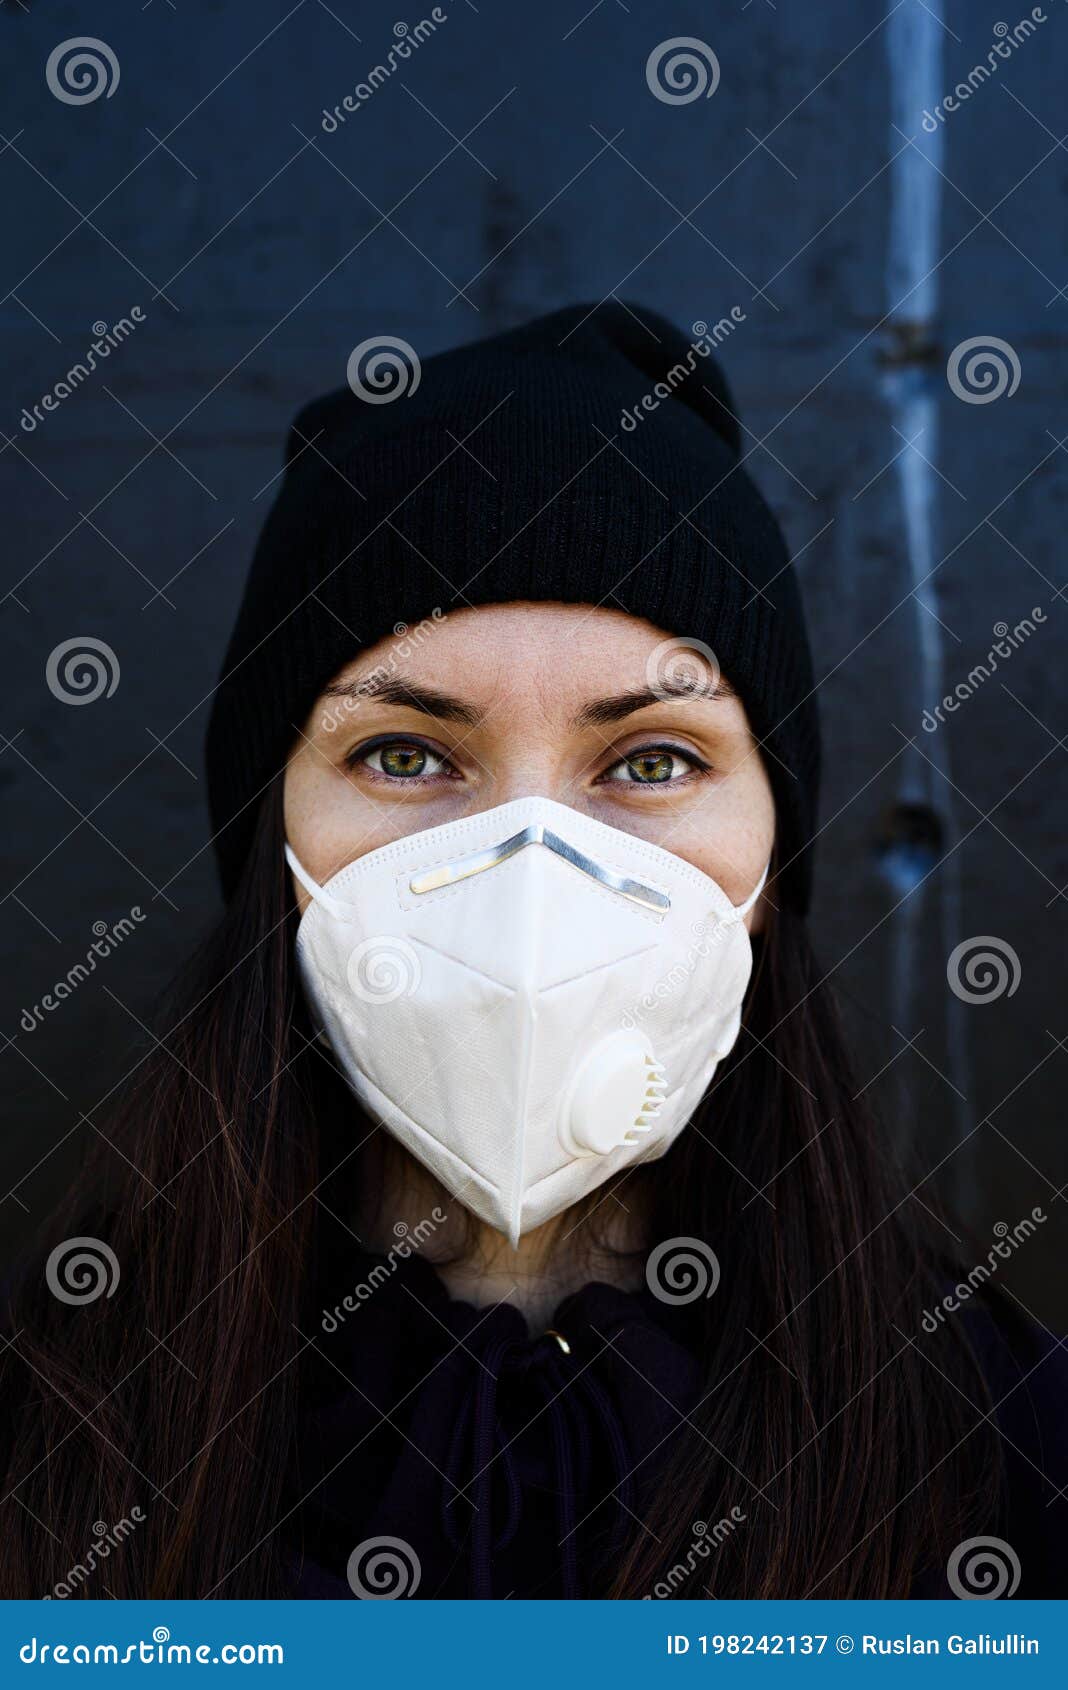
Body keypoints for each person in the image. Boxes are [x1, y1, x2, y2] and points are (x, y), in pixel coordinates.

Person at [2, 304, 1064, 1601]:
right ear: (271, 848)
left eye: (652, 760)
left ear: (774, 867)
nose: (533, 873)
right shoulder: (49, 1446)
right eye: (405, 755)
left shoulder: (1006, 1458)